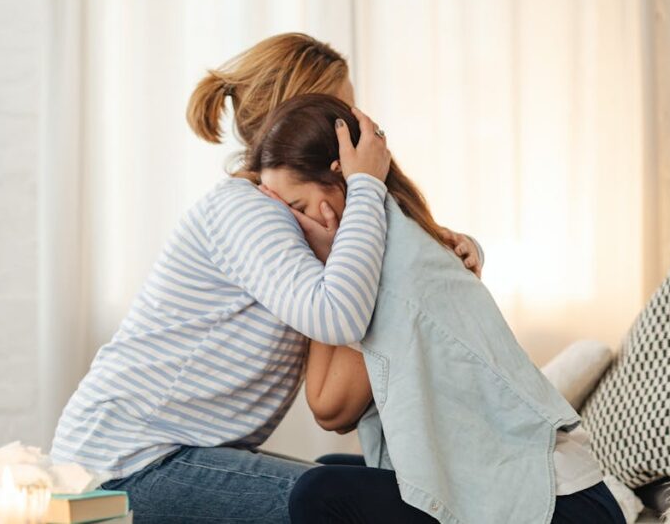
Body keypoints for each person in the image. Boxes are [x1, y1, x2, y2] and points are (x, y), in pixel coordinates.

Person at [49, 33, 481, 524]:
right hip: (125, 462)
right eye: (345, 117)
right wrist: (365, 183)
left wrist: (450, 244)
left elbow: (372, 274)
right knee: (350, 504)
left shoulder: (291, 215)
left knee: (352, 487)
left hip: (159, 453)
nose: (359, 139)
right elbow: (338, 316)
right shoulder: (248, 211)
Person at [250, 94, 626, 524]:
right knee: (331, 470)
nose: (293, 230)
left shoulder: (392, 260)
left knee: (321, 493)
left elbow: (330, 408)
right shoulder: (388, 239)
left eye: (297, 209)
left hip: (561, 507)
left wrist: (328, 264)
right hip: (534, 492)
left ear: (343, 179)